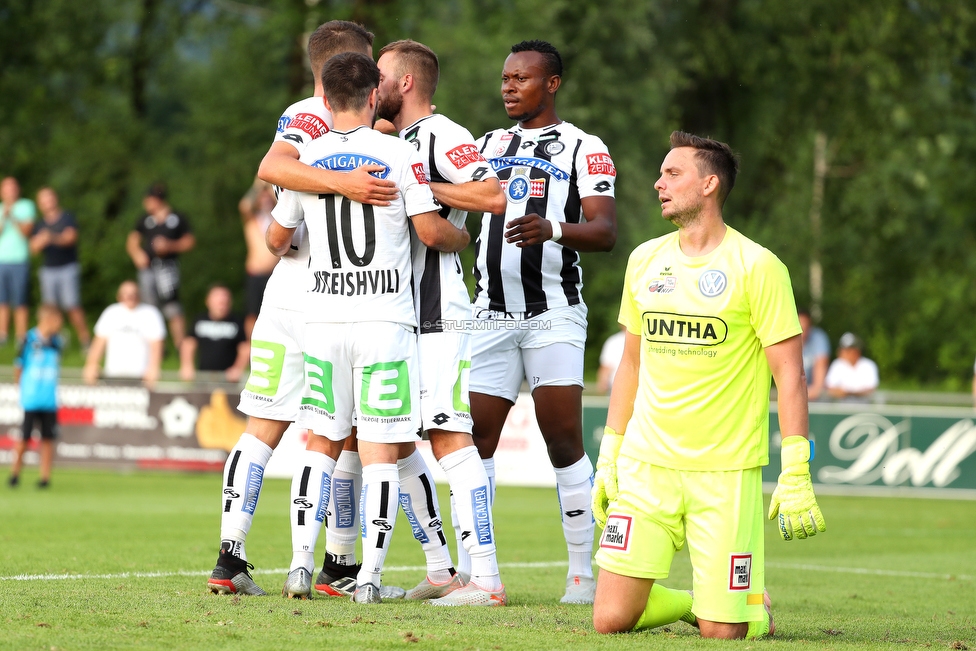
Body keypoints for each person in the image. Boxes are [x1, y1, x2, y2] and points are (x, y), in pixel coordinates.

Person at [591, 131, 826, 639]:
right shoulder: (644, 259)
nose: (658, 183)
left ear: (710, 184)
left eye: (672, 173)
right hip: (646, 465)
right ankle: (696, 601)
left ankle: (742, 606)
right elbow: (630, 363)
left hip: (725, 472)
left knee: (723, 634)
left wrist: (796, 469)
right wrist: (610, 452)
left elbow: (790, 372)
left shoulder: (758, 266)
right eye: (660, 174)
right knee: (609, 619)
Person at [207, 20, 401, 599]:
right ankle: (337, 563)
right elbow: (272, 166)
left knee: (269, 429)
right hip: (326, 295)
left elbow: (275, 217)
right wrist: (346, 186)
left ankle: (233, 555)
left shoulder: (324, 122)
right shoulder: (312, 117)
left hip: (291, 292)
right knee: (338, 432)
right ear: (356, 67)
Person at [269, 51, 470, 604]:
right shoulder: (398, 153)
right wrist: (464, 238)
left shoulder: (306, 159)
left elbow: (275, 239)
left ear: (326, 99)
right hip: (385, 318)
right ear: (372, 95)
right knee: (382, 449)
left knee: (320, 442)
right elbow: (431, 230)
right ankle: (370, 580)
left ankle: (298, 567)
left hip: (323, 317)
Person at [467, 39, 618, 604]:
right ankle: (476, 572)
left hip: (553, 313)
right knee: (474, 441)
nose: (508, 87)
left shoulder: (585, 147)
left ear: (551, 83)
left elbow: (604, 232)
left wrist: (552, 227)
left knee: (562, 441)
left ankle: (583, 575)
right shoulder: (483, 144)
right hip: (487, 315)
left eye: (521, 78)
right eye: (505, 78)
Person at [376, 39, 509, 606]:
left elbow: (494, 195)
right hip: (394, 313)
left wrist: (421, 187)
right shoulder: (389, 139)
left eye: (379, 74)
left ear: (405, 82)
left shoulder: (443, 135)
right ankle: (440, 570)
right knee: (397, 438)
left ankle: (487, 579)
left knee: (452, 436)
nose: (371, 82)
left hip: (437, 311)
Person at [125, 183, 195, 349]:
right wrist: (137, 254)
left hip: (168, 267)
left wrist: (170, 246)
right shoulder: (145, 219)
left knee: (172, 306)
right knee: (149, 307)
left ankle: (180, 347)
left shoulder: (176, 218)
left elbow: (189, 241)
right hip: (148, 269)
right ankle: (152, 346)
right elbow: (132, 241)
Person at [8, 304, 63, 489]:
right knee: (24, 438)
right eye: (58, 320)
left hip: (49, 401)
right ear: (48, 319)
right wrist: (22, 389)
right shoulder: (28, 340)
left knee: (48, 439)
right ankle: (15, 474)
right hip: (31, 399)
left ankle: (44, 478)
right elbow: (19, 366)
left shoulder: (57, 342)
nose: (60, 325)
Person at [30, 187, 91, 350]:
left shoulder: (67, 217)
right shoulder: (40, 224)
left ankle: (85, 340)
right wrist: (40, 242)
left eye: (49, 198)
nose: (47, 202)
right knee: (50, 309)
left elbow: (70, 238)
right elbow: (33, 249)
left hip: (67, 268)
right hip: (48, 270)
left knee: (72, 306)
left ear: (55, 198)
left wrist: (51, 237)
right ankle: (53, 341)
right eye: (43, 200)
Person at [82, 281, 165, 387]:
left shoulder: (150, 313)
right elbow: (99, 342)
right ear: (119, 296)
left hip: (141, 378)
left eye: (133, 293)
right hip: (112, 376)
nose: (130, 296)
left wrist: (154, 367)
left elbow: (156, 344)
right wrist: (91, 364)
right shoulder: (111, 312)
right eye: (126, 293)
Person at [179, 284, 249, 382]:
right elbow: (189, 343)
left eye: (224, 302)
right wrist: (187, 366)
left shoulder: (237, 322)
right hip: (202, 377)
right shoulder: (199, 320)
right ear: (208, 301)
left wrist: (237, 368)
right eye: (218, 302)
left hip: (228, 380)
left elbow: (244, 348)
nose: (221, 305)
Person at [238, 179, 279, 340]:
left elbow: (284, 204)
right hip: (256, 274)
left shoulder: (278, 219)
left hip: (275, 274)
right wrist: (258, 184)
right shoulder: (252, 219)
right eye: (262, 197)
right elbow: (244, 205)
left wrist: (270, 185)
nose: (265, 200)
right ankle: (251, 348)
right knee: (252, 313)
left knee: (276, 312)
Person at [0, 176, 36, 345]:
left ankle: (21, 337)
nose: (10, 191)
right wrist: (4, 216)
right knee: (2, 300)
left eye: (13, 187)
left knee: (20, 300)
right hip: (1, 260)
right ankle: (3, 335)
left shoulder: (26, 206)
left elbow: (26, 232)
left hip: (19, 260)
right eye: (6, 188)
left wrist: (12, 216)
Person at [824, 332, 878, 400]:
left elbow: (871, 390)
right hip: (842, 406)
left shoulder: (868, 365)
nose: (842, 352)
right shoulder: (837, 364)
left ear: (856, 351)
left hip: (864, 406)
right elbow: (829, 388)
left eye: (847, 350)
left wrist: (848, 393)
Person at [798, 309, 829, 400]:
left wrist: (815, 390)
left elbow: (821, 366)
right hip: (796, 393)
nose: (803, 333)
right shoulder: (786, 340)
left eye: (805, 328)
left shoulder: (819, 338)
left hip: (815, 397)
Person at [596, 326, 626, 395]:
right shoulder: (613, 341)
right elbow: (606, 366)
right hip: (615, 388)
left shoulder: (613, 341)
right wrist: (603, 382)